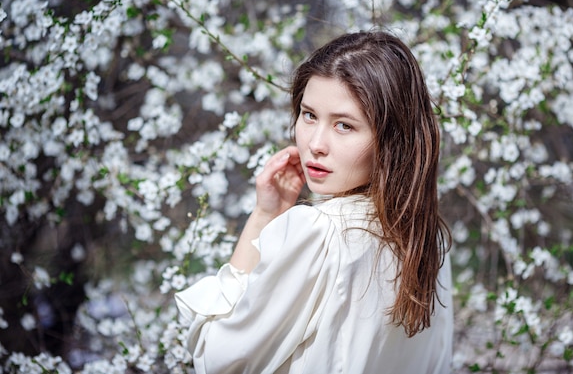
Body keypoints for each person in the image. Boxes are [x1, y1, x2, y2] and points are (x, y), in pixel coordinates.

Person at [175, 30, 454, 373]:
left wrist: (264, 216)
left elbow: (216, 358)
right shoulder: (427, 236)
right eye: (309, 115)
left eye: (344, 125)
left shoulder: (319, 233)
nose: (315, 143)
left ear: (391, 140)